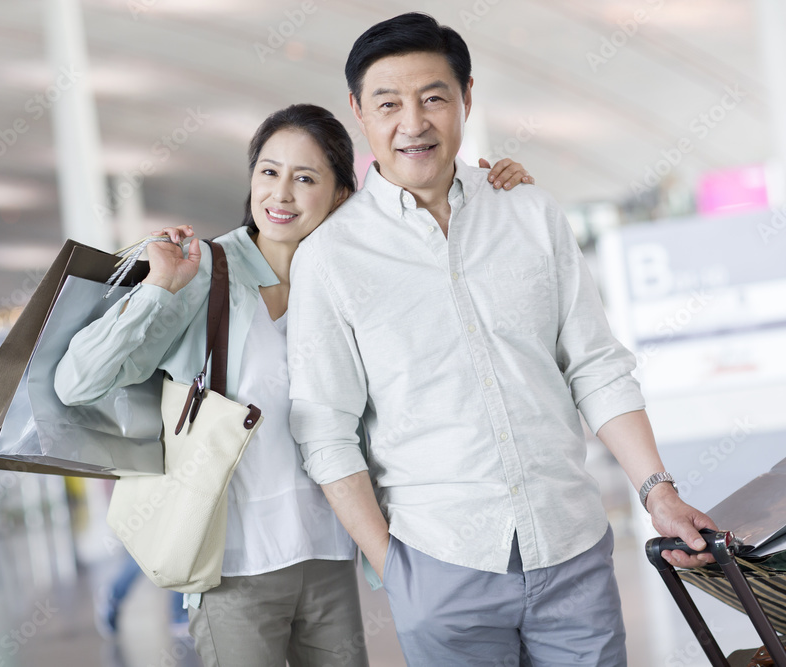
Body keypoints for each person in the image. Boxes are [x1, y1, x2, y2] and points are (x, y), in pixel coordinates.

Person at [286, 13, 717, 666]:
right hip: (440, 562)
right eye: (388, 103)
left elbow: (596, 366)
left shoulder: (529, 212)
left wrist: (657, 490)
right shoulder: (332, 258)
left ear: (465, 97)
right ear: (358, 111)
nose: (414, 122)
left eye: (433, 97)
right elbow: (325, 429)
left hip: (571, 549)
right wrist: (394, 566)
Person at [55, 103, 532, 666]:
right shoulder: (203, 272)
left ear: (339, 196)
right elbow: (78, 382)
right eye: (268, 172)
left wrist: (493, 199)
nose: (280, 194)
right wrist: (159, 286)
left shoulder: (346, 275)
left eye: (305, 178)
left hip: (332, 557)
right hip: (232, 566)